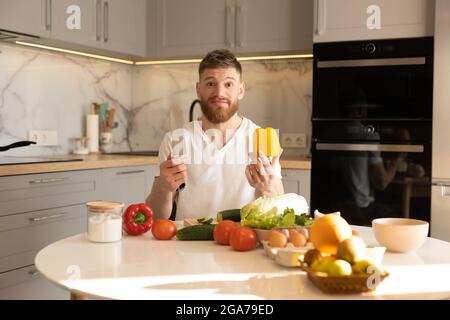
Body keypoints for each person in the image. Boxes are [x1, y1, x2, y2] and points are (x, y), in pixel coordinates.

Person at [146, 49, 284, 220]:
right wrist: (163, 188)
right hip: (188, 244)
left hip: (243, 242)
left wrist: (270, 190)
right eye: (211, 84)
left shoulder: (261, 139)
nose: (219, 93)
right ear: (198, 89)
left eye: (228, 84)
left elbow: (279, 216)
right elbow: (155, 218)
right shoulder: (176, 140)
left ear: (241, 90)